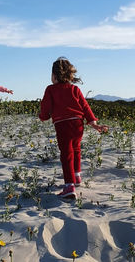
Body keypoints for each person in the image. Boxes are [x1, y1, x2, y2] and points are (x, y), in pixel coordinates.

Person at [39, 57, 108, 199]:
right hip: (78, 124)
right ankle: (76, 176)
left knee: (66, 153)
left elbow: (46, 107)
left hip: (62, 125)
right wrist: (94, 123)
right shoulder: (75, 89)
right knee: (76, 149)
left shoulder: (51, 89)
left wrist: (43, 116)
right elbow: (85, 106)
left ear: (54, 75)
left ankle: (69, 186)